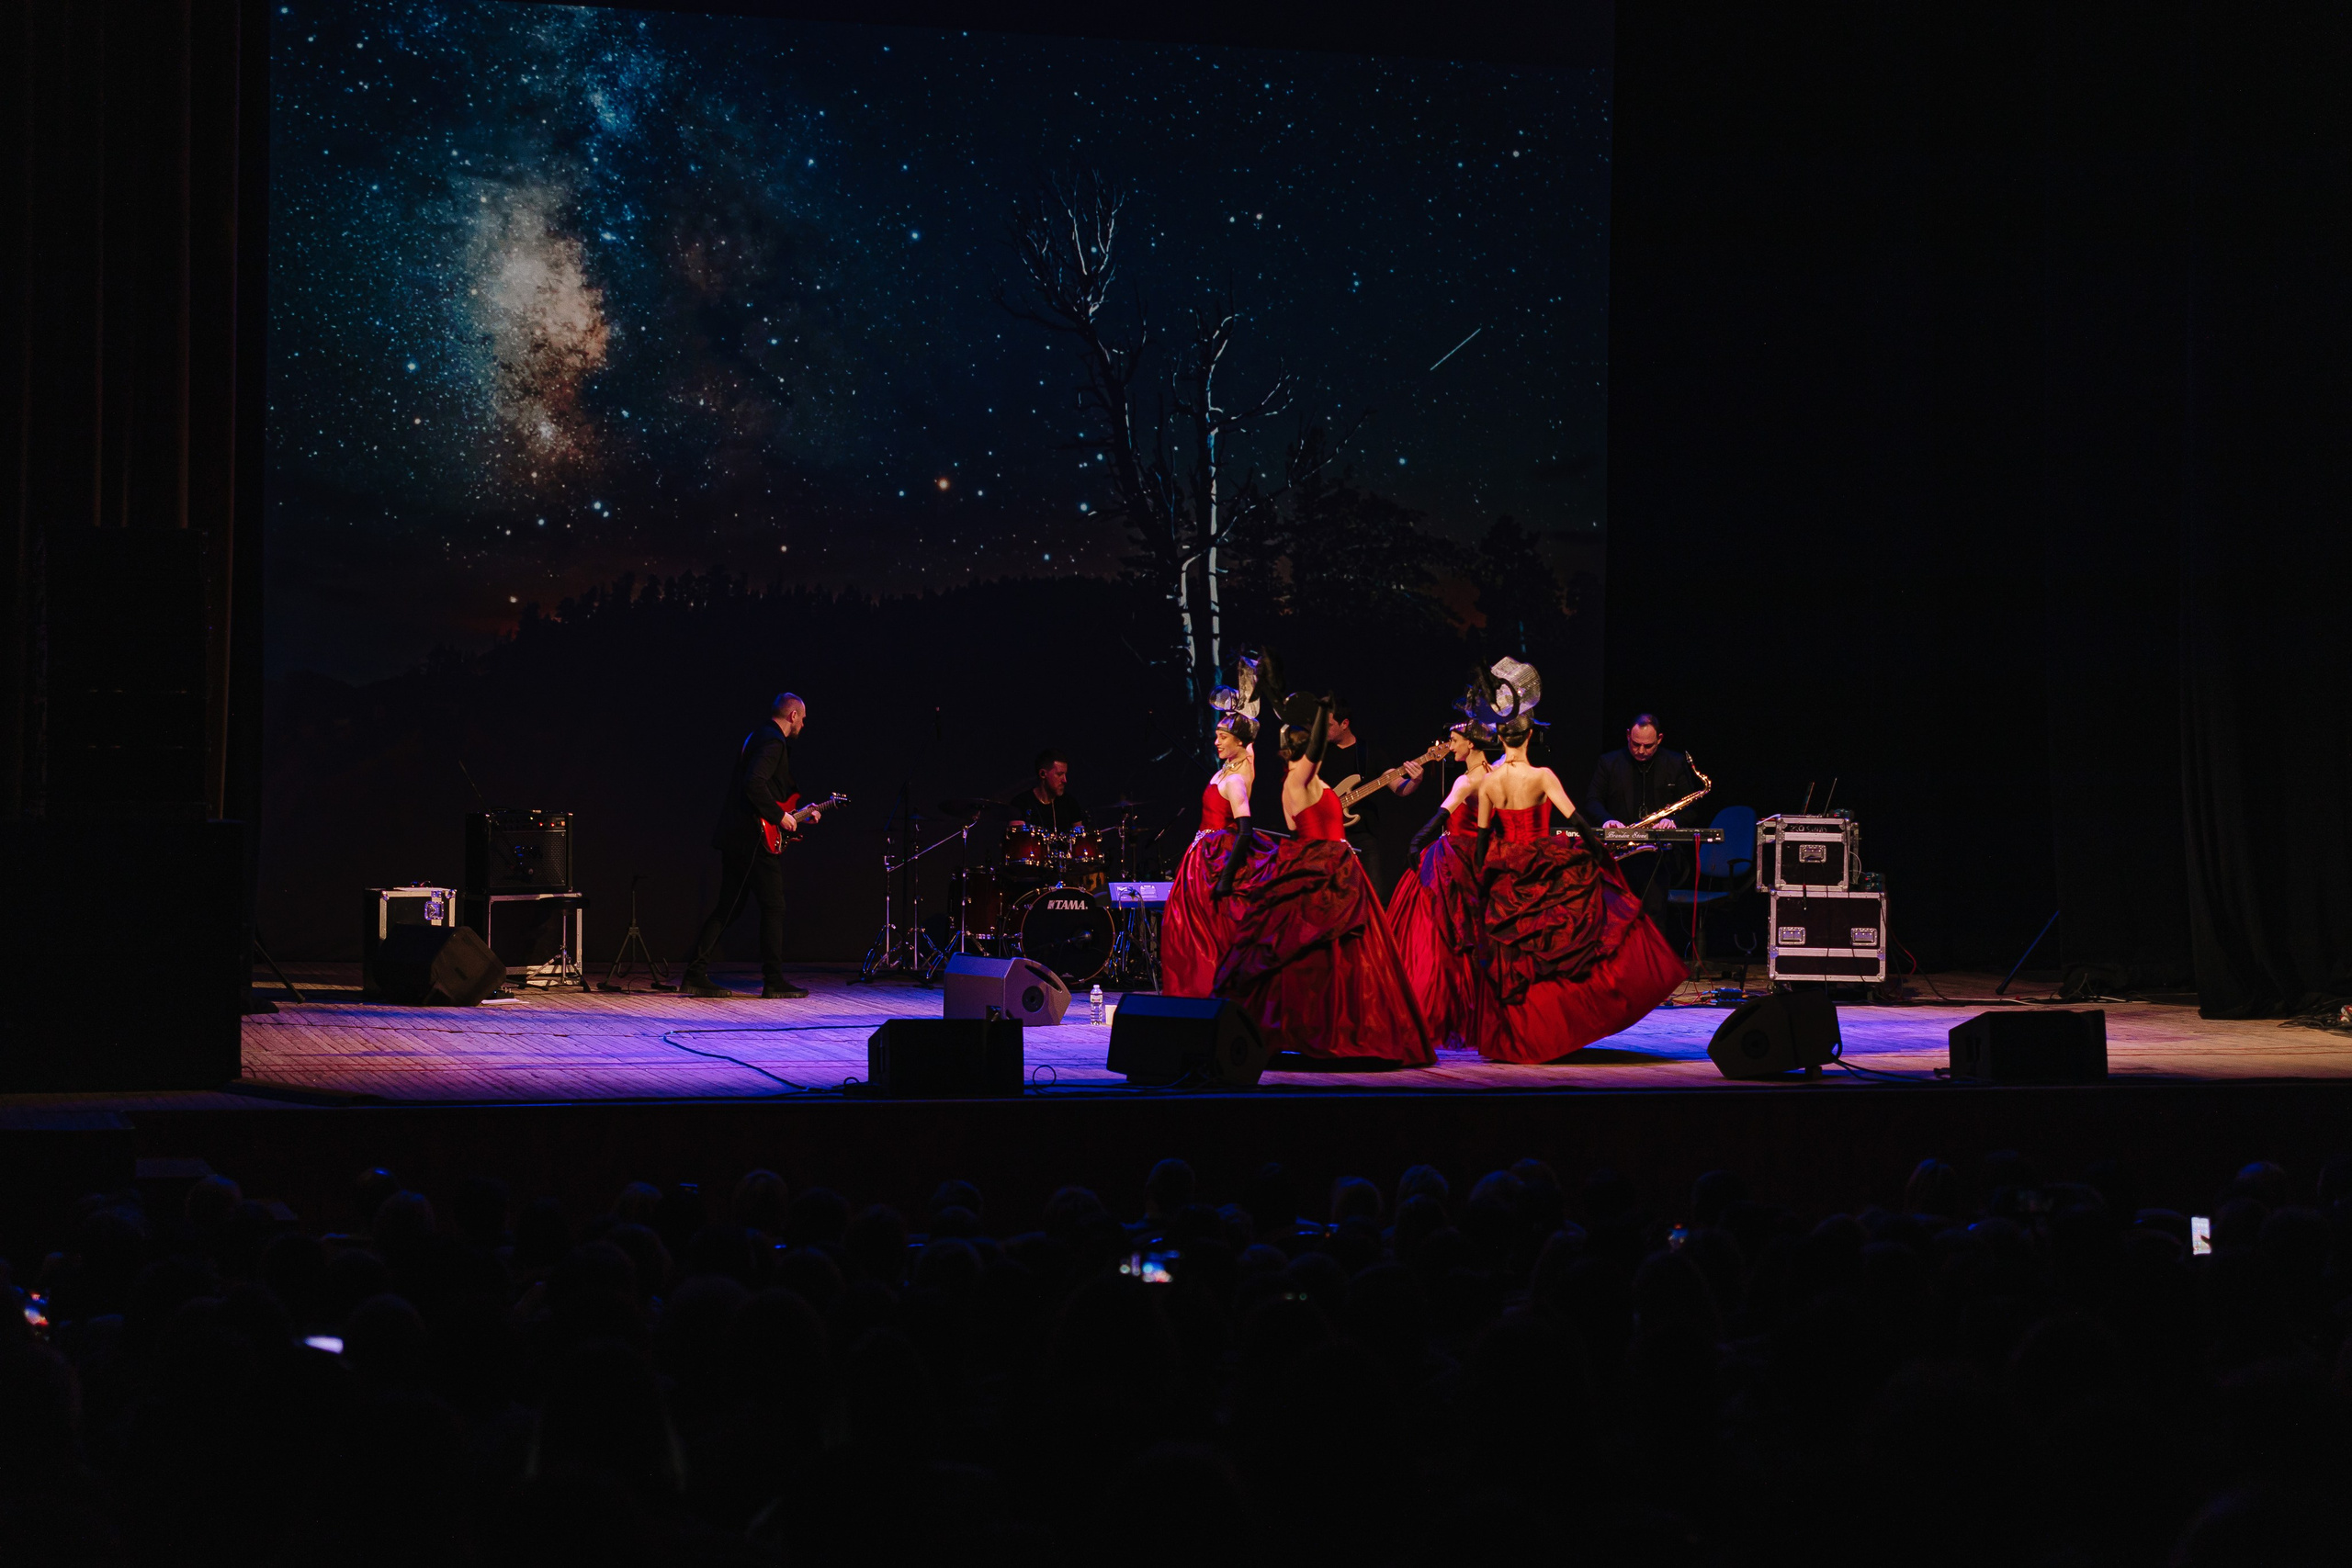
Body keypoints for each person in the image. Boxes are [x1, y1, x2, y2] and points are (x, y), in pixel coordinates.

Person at [1469, 665, 1684, 1062]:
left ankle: (1517, 1036)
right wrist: (1601, 857)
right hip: (1540, 864)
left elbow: (1483, 842)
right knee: (1556, 949)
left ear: (1500, 736)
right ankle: (1552, 1030)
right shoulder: (1543, 775)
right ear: (1530, 736)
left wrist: (1483, 882)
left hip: (1505, 873)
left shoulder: (1487, 783)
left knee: (1516, 957)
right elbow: (1578, 821)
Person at [1212, 688, 1433, 1066]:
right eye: (1300, 740)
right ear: (1292, 751)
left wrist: (1413, 778)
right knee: (1312, 949)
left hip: (1341, 865)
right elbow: (1312, 752)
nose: (1308, 744)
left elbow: (1391, 787)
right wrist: (1321, 713)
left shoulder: (1310, 779)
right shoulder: (1298, 779)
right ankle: (1314, 1026)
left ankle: (1348, 1023)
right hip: (1319, 867)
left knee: (1348, 952)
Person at [682, 693, 826, 999]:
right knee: (774, 906)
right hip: (752, 840)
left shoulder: (757, 736)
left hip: (739, 836)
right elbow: (753, 784)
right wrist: (779, 816)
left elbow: (761, 789)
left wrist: (795, 816)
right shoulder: (774, 742)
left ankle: (695, 974)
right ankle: (773, 981)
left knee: (729, 907)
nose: (804, 724)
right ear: (793, 716)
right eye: (803, 718)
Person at [1385, 716, 1497, 1050]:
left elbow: (1441, 816)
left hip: (1453, 857)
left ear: (1472, 744)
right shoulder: (1494, 775)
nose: (1451, 746)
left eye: (1455, 740)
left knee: (1434, 932)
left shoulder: (1466, 781)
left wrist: (1415, 844)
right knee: (1472, 933)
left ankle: (1432, 1010)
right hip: (1478, 856)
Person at [1161, 669, 1274, 997]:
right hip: (1202, 854)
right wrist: (1242, 693)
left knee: (1205, 927)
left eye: (1222, 737)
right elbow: (1247, 726)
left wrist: (1225, 876)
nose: (1216, 742)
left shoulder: (1238, 779)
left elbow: (1245, 830)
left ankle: (1206, 988)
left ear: (1241, 743)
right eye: (1216, 736)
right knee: (1191, 926)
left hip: (1216, 856)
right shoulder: (1235, 765)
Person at [1587, 712, 1704, 934]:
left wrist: (1673, 821)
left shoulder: (1675, 763)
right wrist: (1607, 820)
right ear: (1628, 736)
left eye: (1648, 746)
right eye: (1636, 744)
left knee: (1653, 908)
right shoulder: (1609, 762)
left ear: (1659, 738)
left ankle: (1653, 962)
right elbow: (1592, 801)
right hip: (1619, 853)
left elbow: (1692, 808)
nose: (1641, 751)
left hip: (1659, 855)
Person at [1325, 696, 1424, 895]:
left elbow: (1398, 787)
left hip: (1362, 836)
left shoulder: (1369, 752)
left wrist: (1415, 781)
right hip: (1326, 835)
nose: (1322, 730)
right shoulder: (1318, 754)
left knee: (1374, 893)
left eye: (1328, 725)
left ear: (1345, 724)